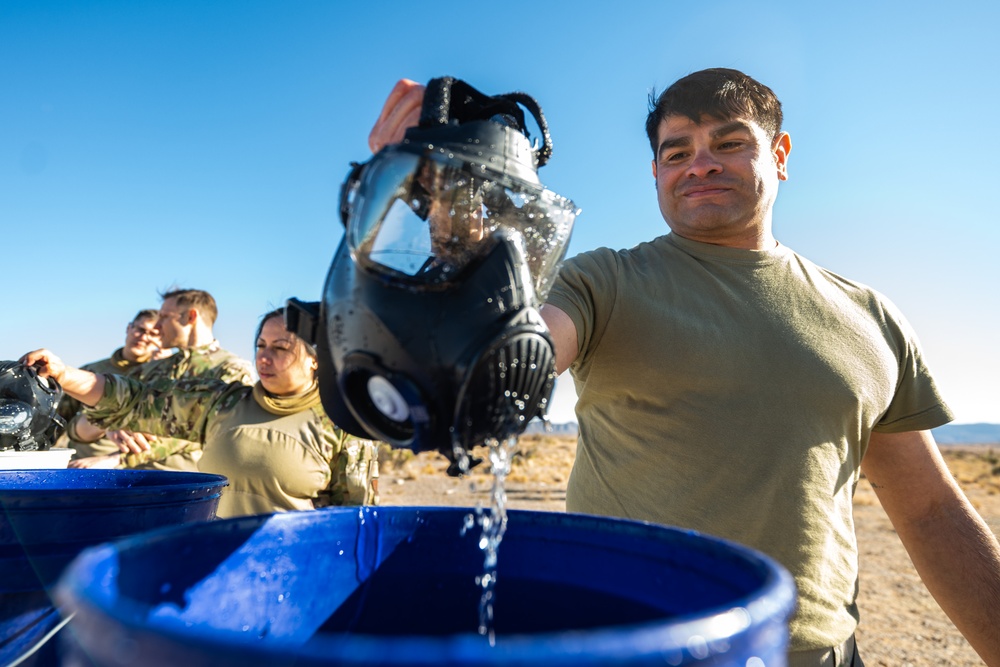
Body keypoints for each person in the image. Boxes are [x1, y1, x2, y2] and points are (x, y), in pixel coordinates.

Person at [367, 70, 1000, 666]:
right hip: (631, 646)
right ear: (655, 173)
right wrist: (446, 201)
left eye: (729, 142)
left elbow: (930, 511)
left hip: (818, 653)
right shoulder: (605, 280)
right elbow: (502, 362)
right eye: (677, 151)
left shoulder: (869, 316)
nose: (700, 163)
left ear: (780, 154)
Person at [23, 308, 380, 518]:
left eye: (281, 348)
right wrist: (65, 374)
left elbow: (357, 520)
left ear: (317, 358)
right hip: (218, 562)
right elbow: (136, 401)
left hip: (296, 567)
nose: (264, 358)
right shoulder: (222, 403)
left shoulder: (342, 423)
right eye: (260, 346)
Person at [69, 288, 254, 471]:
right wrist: (108, 423)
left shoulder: (231, 370)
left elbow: (213, 428)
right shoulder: (151, 369)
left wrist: (121, 458)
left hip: (187, 488)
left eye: (164, 317)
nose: (157, 328)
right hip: (131, 484)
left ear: (191, 317)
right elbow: (84, 422)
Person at [56, 308, 162, 461]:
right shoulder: (92, 371)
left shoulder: (161, 377)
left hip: (135, 464)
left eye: (153, 334)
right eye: (140, 329)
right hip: (82, 462)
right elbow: (60, 419)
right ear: (129, 328)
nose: (144, 337)